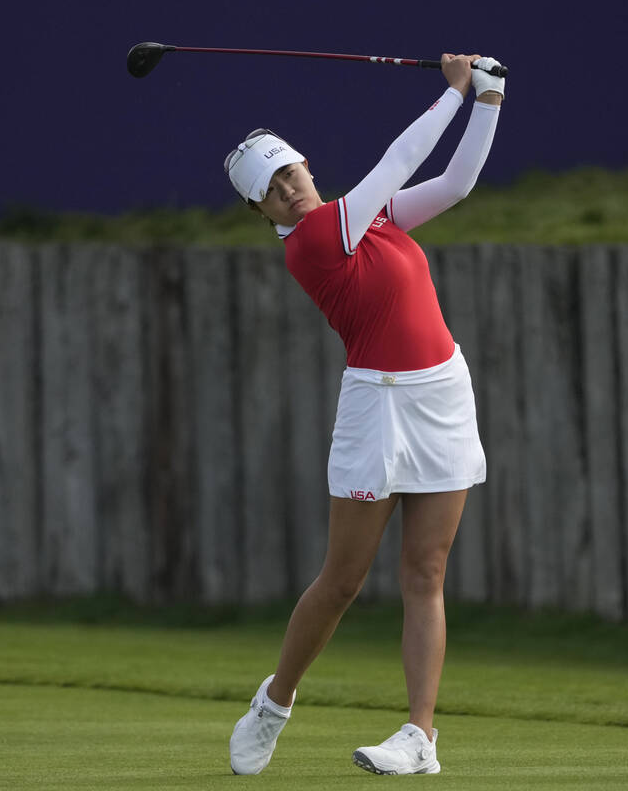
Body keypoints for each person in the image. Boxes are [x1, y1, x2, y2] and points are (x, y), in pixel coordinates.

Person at [223, 53, 504, 776]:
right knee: (343, 578)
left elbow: (457, 182)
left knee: (426, 570)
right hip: (376, 404)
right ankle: (276, 702)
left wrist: (489, 100)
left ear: (306, 166)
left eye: (289, 174)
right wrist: (454, 92)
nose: (287, 191)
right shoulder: (315, 241)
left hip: (441, 390)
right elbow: (398, 159)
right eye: (271, 191)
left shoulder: (365, 219)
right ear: (260, 212)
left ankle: (420, 738)